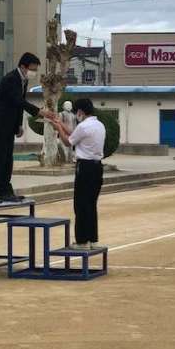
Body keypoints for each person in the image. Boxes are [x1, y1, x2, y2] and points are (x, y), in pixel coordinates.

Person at [0, 53, 53, 202]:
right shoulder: (11, 79)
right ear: (23, 66)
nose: (33, 72)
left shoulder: (23, 80)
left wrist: (18, 125)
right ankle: (2, 192)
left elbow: (18, 105)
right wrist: (38, 111)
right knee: (0, 160)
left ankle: (8, 191)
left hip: (9, 125)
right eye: (32, 69)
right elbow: (18, 101)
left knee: (8, 160)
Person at [51, 98, 105, 249]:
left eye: (77, 112)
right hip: (97, 167)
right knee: (91, 204)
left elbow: (68, 141)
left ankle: (82, 241)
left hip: (85, 167)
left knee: (81, 204)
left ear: (80, 111)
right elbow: (75, 134)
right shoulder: (99, 125)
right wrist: (61, 123)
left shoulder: (83, 126)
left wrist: (58, 128)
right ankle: (92, 239)